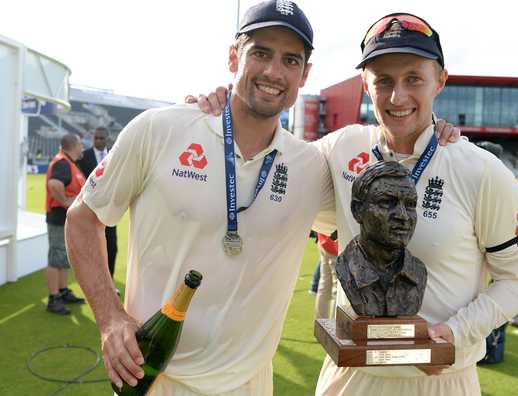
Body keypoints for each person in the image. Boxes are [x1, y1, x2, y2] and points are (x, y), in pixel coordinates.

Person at [194, 11, 518, 396]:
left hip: (439, 381)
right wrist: (225, 111)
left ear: (440, 81)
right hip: (350, 377)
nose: (398, 96)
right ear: (365, 84)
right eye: (384, 81)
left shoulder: (481, 171)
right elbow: (263, 163)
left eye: (414, 79)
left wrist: (457, 332)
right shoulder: (342, 149)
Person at [65, 2, 338, 395]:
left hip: (250, 385)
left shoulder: (311, 166)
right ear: (233, 57)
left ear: (304, 73)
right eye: (260, 52)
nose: (274, 72)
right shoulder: (160, 129)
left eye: (290, 60)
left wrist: (438, 136)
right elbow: (83, 219)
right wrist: (110, 317)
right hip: (156, 381)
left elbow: (376, 214)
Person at [336, 161, 426, 317]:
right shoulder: (346, 266)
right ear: (358, 210)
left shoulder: (418, 272)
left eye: (410, 204)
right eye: (386, 202)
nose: (403, 216)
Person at [45, 133, 86, 315]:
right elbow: (54, 184)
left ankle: (62, 291)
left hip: (65, 219)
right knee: (56, 257)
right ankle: (53, 298)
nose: (82, 147)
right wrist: (66, 202)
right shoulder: (62, 162)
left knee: (62, 257)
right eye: (80, 144)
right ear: (74, 145)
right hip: (58, 218)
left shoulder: (68, 163)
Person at [77, 127, 119, 279]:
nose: (98, 140)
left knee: (111, 247)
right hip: (89, 208)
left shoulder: (115, 155)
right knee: (91, 246)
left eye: (101, 138)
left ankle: (109, 280)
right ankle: (93, 280)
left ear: (107, 139)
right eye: (96, 138)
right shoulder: (83, 157)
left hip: (110, 208)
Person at [314, 232, 338, 319]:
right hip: (334, 244)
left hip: (324, 240)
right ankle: (333, 327)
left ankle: (321, 324)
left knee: (324, 286)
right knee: (338, 290)